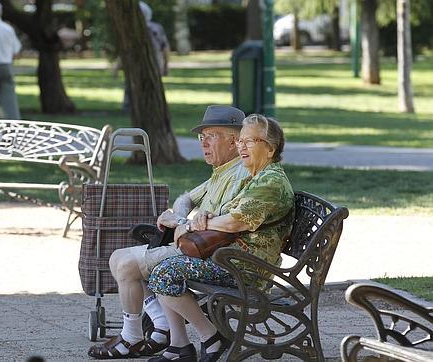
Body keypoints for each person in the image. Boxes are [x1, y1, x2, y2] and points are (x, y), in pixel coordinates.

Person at [87, 105, 250, 359]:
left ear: (234, 141)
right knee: (117, 257)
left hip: (207, 252)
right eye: (201, 137)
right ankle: (162, 327)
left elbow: (221, 223)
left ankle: (134, 337)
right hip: (192, 245)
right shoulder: (220, 172)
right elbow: (185, 198)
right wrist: (180, 217)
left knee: (127, 264)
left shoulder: (239, 173)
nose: (204, 143)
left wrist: (182, 225)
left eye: (212, 136)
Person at [146, 114, 295, 362]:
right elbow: (227, 214)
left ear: (270, 149)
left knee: (165, 272)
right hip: (231, 259)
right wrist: (200, 218)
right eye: (241, 141)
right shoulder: (256, 176)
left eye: (251, 141)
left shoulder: (271, 182)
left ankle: (210, 337)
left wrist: (191, 225)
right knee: (162, 269)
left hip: (247, 268)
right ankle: (179, 345)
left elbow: (235, 221)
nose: (242, 147)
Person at [121, 1, 170, 112]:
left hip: (136, 63)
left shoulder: (131, 29)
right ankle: (153, 108)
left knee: (132, 85)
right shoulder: (157, 28)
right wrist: (166, 65)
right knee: (152, 86)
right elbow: (165, 48)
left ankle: (129, 107)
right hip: (155, 63)